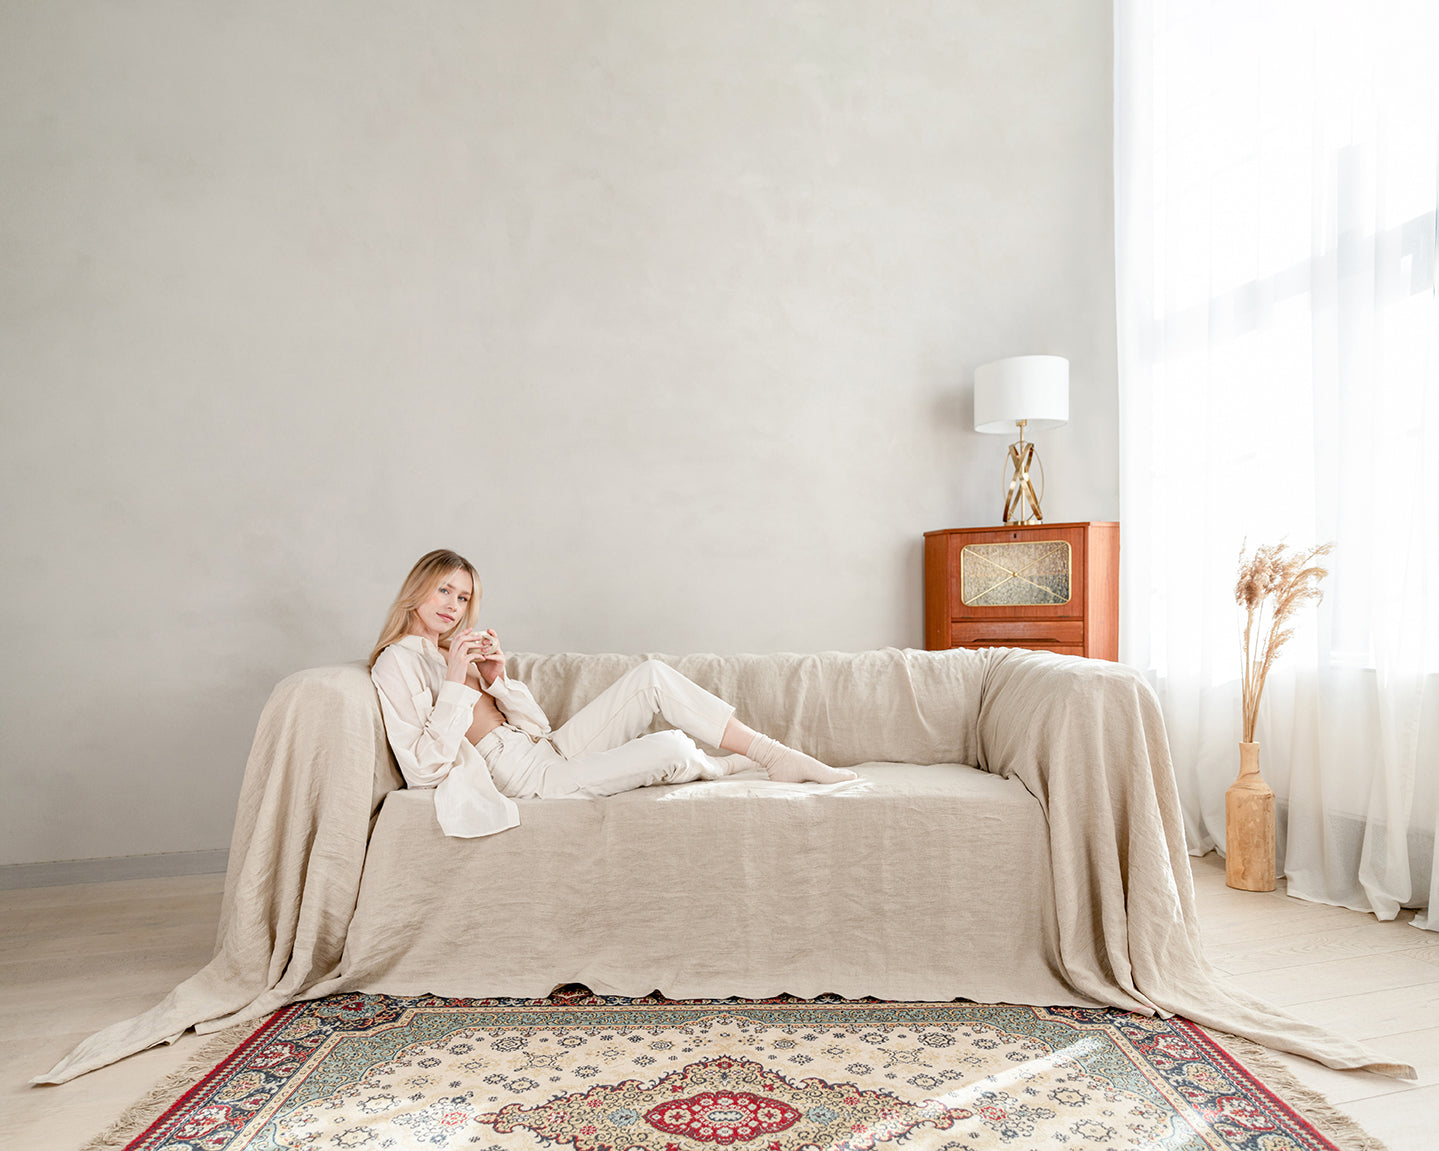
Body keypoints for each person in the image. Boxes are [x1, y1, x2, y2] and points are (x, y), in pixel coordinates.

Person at [369, 549, 857, 838]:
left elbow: (538, 728)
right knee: (671, 746)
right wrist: (456, 682)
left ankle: (772, 754)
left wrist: (497, 678)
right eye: (444, 592)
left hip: (544, 749)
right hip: (523, 779)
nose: (454, 606)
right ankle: (718, 765)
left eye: (463, 597)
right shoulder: (398, 661)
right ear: (417, 591)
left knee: (652, 676)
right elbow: (422, 770)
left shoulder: (456, 650)